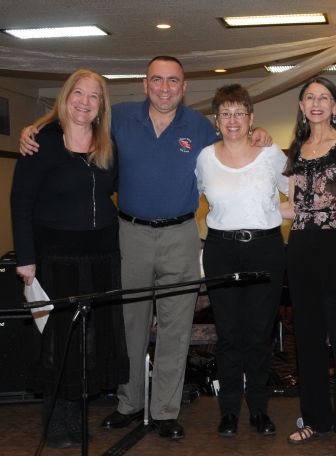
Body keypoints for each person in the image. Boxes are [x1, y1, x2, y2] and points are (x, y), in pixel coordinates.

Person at [19, 56, 271, 440]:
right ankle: (129, 404)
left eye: (173, 81)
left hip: (181, 235)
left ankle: (166, 411)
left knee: (176, 328)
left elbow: (235, 141)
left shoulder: (200, 127)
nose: (165, 88)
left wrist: (260, 134)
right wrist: (33, 128)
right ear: (145, 84)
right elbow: (74, 121)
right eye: (157, 80)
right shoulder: (117, 117)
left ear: (184, 87)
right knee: (129, 325)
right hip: (128, 234)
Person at [11, 68, 129, 448]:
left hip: (103, 257)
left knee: (92, 341)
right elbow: (21, 203)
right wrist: (26, 259)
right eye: (79, 93)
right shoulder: (40, 143)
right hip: (56, 258)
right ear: (66, 97)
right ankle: (56, 421)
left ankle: (78, 415)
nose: (85, 101)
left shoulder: (108, 146)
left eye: (94, 96)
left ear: (101, 107)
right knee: (58, 341)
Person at [281, 77, 336, 450]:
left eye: (324, 98)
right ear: (302, 106)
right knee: (308, 338)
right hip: (301, 247)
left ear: (335, 106)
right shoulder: (296, 150)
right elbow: (292, 208)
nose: (317, 103)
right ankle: (316, 419)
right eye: (310, 98)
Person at [196, 84, 288, 437]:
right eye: (225, 113)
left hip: (265, 248)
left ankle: (260, 410)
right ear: (215, 120)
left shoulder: (271, 154)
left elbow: (296, 198)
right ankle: (229, 411)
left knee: (259, 334)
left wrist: (269, 211)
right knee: (230, 334)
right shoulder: (204, 158)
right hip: (221, 249)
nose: (232, 120)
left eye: (239, 113)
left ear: (251, 118)